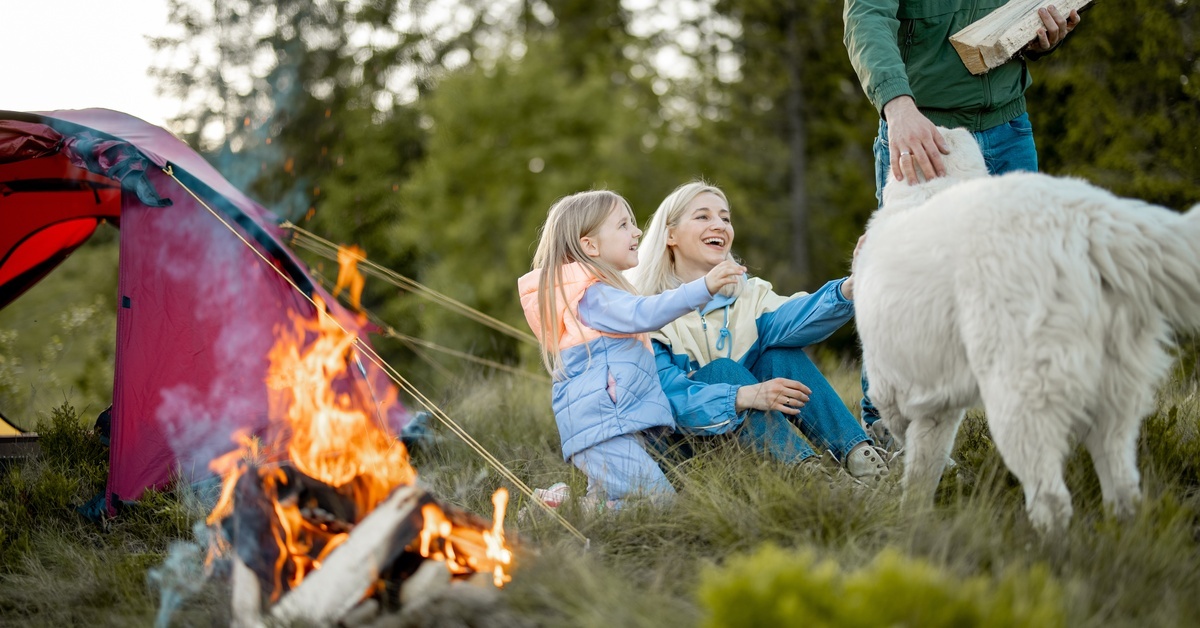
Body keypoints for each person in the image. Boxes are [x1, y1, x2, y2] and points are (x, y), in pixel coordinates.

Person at [843, 0, 1082, 440]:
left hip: (1008, 126)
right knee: (907, 294)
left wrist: (1041, 36)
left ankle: (1021, 439)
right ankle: (883, 436)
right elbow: (865, 17)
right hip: (925, 133)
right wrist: (898, 109)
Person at [629, 181, 889, 482]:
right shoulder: (645, 312)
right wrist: (740, 395)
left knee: (780, 355)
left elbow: (794, 318)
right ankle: (811, 478)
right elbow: (668, 399)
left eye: (725, 218)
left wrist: (846, 290)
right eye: (703, 216)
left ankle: (864, 462)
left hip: (748, 441)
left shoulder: (748, 295)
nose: (720, 226)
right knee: (723, 371)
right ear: (670, 235)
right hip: (681, 450)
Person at [517, 190, 746, 505]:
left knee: (616, 502)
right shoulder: (594, 297)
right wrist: (703, 288)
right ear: (590, 245)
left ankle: (564, 507)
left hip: (613, 427)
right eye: (623, 225)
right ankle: (555, 511)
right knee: (659, 504)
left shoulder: (594, 294)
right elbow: (646, 313)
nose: (637, 231)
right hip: (606, 431)